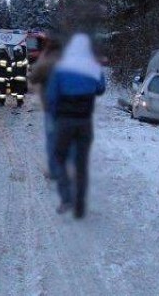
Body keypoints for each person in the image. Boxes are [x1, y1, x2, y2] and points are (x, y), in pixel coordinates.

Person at [45, 33, 105, 219]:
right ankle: (79, 206)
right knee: (81, 164)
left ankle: (66, 198)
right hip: (85, 122)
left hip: (64, 121)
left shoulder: (61, 67)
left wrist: (54, 116)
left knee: (60, 158)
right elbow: (101, 89)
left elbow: (52, 96)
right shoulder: (93, 66)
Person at [28, 36, 64, 180]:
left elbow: (33, 78)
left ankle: (55, 170)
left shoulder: (47, 62)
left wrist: (42, 57)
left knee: (52, 139)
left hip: (52, 106)